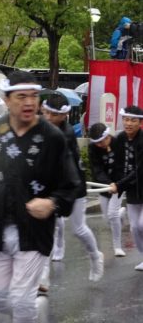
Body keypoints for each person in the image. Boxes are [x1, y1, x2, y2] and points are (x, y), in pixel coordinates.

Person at [0, 71, 79, 322]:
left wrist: (52, 202)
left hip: (33, 229)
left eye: (33, 96)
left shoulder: (53, 138)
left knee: (20, 299)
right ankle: (33, 310)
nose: (29, 102)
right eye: (22, 96)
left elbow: (72, 184)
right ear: (7, 100)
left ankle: (28, 309)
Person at [42, 94, 104, 283]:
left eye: (54, 115)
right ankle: (42, 275)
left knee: (79, 229)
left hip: (73, 186)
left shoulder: (65, 134)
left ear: (65, 115)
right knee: (45, 229)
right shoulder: (42, 127)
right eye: (47, 113)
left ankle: (95, 255)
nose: (50, 118)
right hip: (51, 187)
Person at [111, 106, 143, 270]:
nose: (129, 123)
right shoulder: (119, 139)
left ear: (140, 123)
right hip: (132, 189)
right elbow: (116, 165)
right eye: (126, 119)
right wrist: (113, 181)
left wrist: (119, 184)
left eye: (133, 120)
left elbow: (139, 169)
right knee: (135, 227)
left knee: (142, 224)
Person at [88, 122, 125, 256]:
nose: (101, 144)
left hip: (119, 183)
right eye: (98, 142)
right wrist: (108, 183)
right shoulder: (92, 148)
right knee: (107, 217)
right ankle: (120, 214)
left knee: (112, 214)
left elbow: (122, 166)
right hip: (103, 185)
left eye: (103, 140)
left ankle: (117, 247)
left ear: (108, 135)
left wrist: (117, 184)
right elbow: (96, 169)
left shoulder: (118, 143)